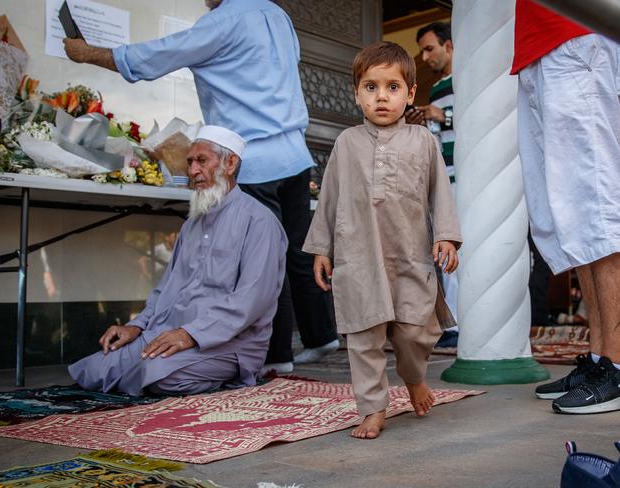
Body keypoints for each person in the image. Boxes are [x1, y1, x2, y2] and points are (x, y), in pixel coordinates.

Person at [62, 0, 338, 376]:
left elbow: (157, 55)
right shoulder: (276, 14)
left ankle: (276, 359)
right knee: (298, 254)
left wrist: (88, 54)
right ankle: (322, 337)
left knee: (261, 263)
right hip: (294, 153)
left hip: (251, 159)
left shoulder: (223, 20)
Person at [303, 42, 462, 439]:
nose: (381, 97)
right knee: (363, 336)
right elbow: (330, 197)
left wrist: (446, 236)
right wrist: (322, 248)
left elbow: (440, 192)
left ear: (410, 94)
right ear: (357, 94)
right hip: (358, 257)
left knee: (414, 333)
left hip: (409, 255)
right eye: (371, 88)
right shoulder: (346, 143)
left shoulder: (424, 141)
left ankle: (413, 378)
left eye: (392, 87)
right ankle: (373, 408)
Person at [69, 125, 288, 396]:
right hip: (168, 333)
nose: (193, 171)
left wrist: (191, 334)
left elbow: (252, 299)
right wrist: (136, 326)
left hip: (229, 344)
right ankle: (144, 368)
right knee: (95, 369)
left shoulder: (260, 222)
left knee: (155, 375)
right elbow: (167, 288)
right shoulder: (192, 224)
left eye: (202, 161)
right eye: (190, 162)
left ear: (230, 163)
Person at [512, 0, 620, 414]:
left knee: (596, 206)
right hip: (538, 44)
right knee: (570, 216)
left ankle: (616, 362)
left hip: (575, 34)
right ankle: (598, 358)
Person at [407, 22, 458, 348]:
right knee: (447, 251)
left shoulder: (474, 78)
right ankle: (451, 324)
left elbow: (486, 122)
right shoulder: (438, 87)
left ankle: (460, 323)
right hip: (447, 180)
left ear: (449, 46)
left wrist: (445, 116)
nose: (425, 57)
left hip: (473, 178)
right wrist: (423, 124)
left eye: (430, 48)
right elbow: (439, 139)